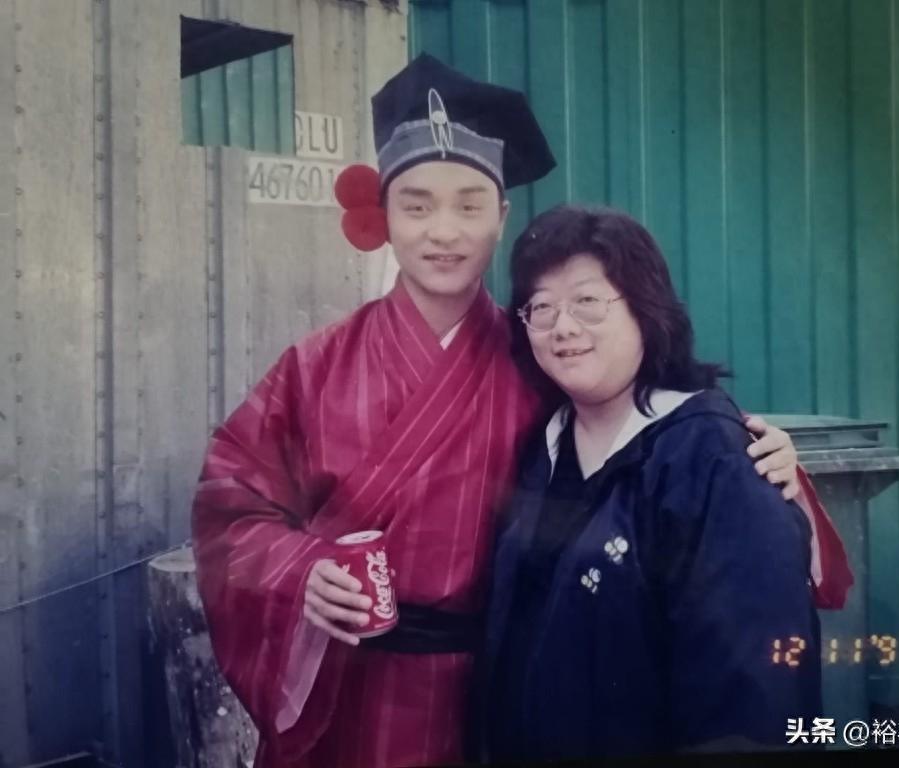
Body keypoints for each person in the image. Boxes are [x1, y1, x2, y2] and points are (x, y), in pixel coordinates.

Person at [191, 55, 848, 768]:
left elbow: (653, 436)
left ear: (501, 218)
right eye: (417, 205)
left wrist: (767, 465)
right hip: (348, 692)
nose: (444, 231)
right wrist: (302, 569)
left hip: (489, 694)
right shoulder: (315, 366)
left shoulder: (538, 360)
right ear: (382, 215)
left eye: (470, 206)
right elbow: (231, 504)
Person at [479, 205, 825, 761]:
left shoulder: (712, 458)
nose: (563, 326)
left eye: (588, 301)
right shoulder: (544, 444)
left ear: (645, 307)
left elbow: (755, 686)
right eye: (541, 307)